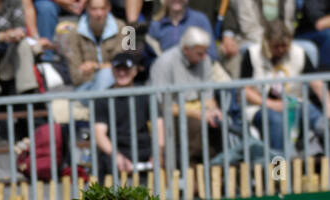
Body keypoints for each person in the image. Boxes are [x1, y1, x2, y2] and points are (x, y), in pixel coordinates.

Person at [241, 18, 326, 154]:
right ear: (266, 42)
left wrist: (328, 106)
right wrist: (271, 104)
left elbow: (316, 82)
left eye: (284, 46)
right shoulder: (252, 54)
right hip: (261, 108)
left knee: (319, 118)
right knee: (277, 121)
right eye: (276, 46)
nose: (281, 50)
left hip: (293, 103)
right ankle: (279, 172)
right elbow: (245, 90)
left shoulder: (298, 52)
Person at [148, 24, 227, 162]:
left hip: (197, 110)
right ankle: (192, 171)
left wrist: (213, 111)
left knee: (219, 123)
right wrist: (198, 114)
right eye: (199, 53)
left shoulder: (205, 60)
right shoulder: (164, 63)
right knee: (195, 125)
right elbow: (163, 107)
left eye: (205, 52)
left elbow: (208, 97)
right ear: (186, 49)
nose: (204, 57)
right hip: (170, 114)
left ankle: (217, 169)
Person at [93, 49, 162, 180]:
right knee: (106, 164)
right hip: (116, 149)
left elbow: (159, 126)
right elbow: (100, 135)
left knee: (171, 157)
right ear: (112, 72)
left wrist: (157, 153)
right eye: (118, 69)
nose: (122, 73)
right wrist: (117, 157)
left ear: (135, 71)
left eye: (126, 69)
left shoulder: (145, 95)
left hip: (143, 148)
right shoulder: (102, 98)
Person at [63, 0, 122, 91]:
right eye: (94, 9)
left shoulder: (122, 28)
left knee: (106, 74)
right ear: (86, 8)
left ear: (109, 8)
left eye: (102, 8)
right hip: (85, 88)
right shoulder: (75, 33)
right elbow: (76, 77)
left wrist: (95, 67)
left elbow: (123, 66)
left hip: (116, 86)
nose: (99, 14)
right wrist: (106, 67)